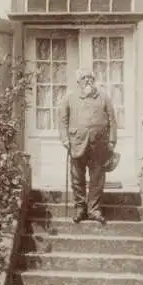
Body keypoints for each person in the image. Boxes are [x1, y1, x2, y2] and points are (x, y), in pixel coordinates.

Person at [58, 68, 118, 224]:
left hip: (99, 145)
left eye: (90, 77)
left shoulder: (104, 97)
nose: (87, 80)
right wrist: (65, 139)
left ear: (94, 80)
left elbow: (112, 120)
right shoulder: (70, 98)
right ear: (78, 82)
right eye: (84, 78)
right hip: (77, 143)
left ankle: (94, 210)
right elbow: (63, 121)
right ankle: (80, 208)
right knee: (77, 178)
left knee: (97, 178)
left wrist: (112, 141)